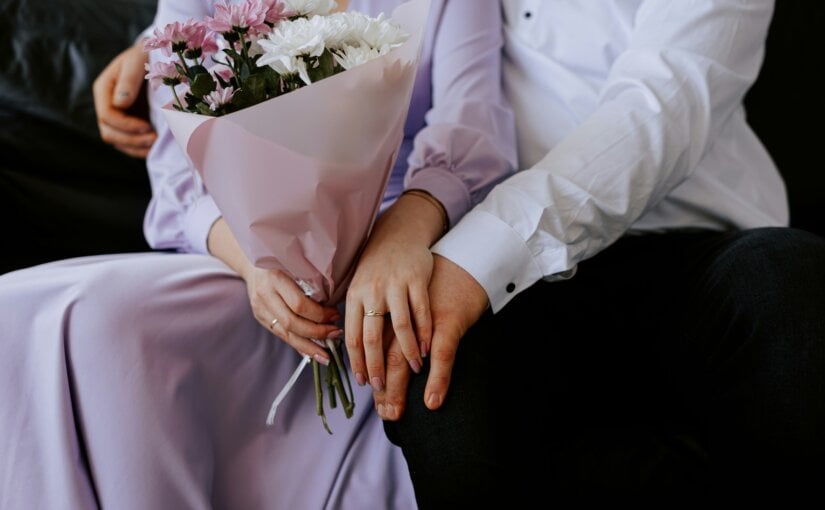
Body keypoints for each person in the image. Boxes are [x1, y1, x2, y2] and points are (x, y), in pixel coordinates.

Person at [0, 1, 516, 508]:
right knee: (54, 316)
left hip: (389, 254)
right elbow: (175, 166)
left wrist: (403, 231)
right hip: (239, 259)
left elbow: (471, 123)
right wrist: (253, 264)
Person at [347, 0, 825, 505]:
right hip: (514, 286)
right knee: (432, 366)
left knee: (785, 282)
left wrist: (479, 255)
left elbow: (662, 106)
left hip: (695, 248)